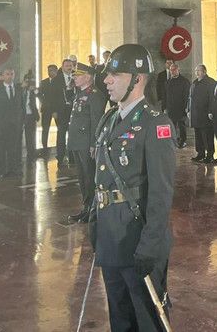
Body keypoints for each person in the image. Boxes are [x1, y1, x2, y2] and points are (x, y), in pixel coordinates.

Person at [92, 44, 176, 331]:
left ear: (137, 79)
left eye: (115, 75)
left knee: (146, 316)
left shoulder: (155, 124)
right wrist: (95, 224)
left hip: (138, 237)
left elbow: (161, 194)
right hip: (111, 235)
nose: (106, 80)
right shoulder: (109, 119)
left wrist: (150, 246)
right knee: (119, 314)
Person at [67, 62, 105, 223]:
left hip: (86, 143)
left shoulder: (95, 95)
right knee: (82, 178)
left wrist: (93, 144)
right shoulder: (80, 93)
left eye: (78, 75)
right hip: (77, 141)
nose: (74, 78)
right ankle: (86, 207)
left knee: (89, 177)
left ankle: (93, 209)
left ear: (88, 77)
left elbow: (96, 121)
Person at [0, 68, 22, 178]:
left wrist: (21, 121)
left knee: (13, 148)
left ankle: (13, 169)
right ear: (3, 76)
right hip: (1, 124)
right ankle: (2, 170)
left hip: (15, 124)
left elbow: (21, 106)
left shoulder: (18, 89)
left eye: (12, 74)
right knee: (1, 148)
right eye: (7, 74)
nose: (9, 76)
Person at [51, 58, 76, 166]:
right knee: (61, 134)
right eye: (67, 66)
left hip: (74, 110)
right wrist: (54, 111)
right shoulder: (56, 79)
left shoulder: (76, 77)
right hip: (61, 111)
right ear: (62, 67)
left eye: (70, 65)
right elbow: (52, 97)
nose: (69, 68)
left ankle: (72, 157)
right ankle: (60, 156)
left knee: (73, 134)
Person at [188, 65, 215, 162]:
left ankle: (210, 155)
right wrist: (189, 110)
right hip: (195, 114)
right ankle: (200, 153)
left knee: (207, 135)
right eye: (196, 71)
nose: (197, 72)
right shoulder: (195, 82)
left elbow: (212, 98)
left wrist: (210, 111)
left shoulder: (210, 82)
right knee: (198, 135)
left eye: (199, 70)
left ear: (204, 71)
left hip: (205, 114)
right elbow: (190, 97)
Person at [164, 62, 190, 149]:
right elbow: (165, 96)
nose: (172, 71)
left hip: (181, 108)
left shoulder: (184, 81)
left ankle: (182, 141)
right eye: (171, 70)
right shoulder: (168, 82)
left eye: (174, 70)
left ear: (178, 70)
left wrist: (186, 108)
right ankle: (173, 141)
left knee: (182, 126)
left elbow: (187, 96)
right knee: (171, 126)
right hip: (171, 108)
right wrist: (164, 107)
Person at [38, 64, 59, 159]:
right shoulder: (44, 82)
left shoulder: (60, 82)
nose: (50, 72)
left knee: (60, 129)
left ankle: (60, 149)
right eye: (49, 70)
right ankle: (44, 150)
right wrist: (44, 102)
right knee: (45, 129)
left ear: (56, 71)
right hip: (46, 110)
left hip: (57, 110)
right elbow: (39, 94)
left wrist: (56, 109)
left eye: (52, 70)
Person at [20, 74, 39, 161]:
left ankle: (31, 154)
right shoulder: (20, 89)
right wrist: (22, 87)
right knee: (20, 136)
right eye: (27, 81)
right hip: (22, 116)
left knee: (31, 136)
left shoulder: (33, 91)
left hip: (31, 115)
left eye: (31, 81)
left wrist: (35, 91)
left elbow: (40, 98)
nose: (29, 83)